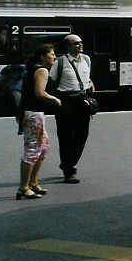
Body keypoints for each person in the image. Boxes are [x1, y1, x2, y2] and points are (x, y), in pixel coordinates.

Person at [17, 44, 61, 200]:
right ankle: (24, 187)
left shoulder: (33, 69)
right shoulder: (42, 70)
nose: (55, 57)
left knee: (43, 147)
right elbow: (39, 93)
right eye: (52, 54)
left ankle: (33, 183)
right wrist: (54, 99)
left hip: (33, 114)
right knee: (32, 150)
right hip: (34, 114)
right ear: (42, 56)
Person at [50, 34, 95, 183]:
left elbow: (86, 76)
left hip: (82, 100)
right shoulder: (60, 62)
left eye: (80, 43)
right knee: (66, 137)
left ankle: (68, 163)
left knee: (82, 135)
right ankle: (70, 170)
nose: (79, 45)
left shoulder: (87, 59)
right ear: (68, 46)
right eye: (76, 43)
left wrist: (89, 83)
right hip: (66, 102)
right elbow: (52, 81)